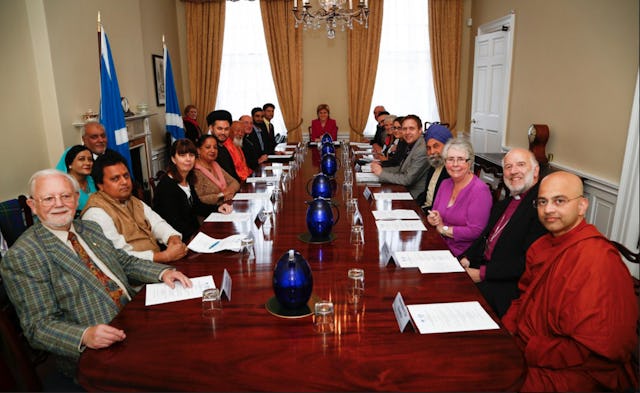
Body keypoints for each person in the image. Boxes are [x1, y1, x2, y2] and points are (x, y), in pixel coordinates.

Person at [0, 169, 192, 383]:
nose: (59, 204)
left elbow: (125, 262)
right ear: (33, 206)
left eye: (65, 196)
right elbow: (38, 327)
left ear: (76, 199)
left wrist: (163, 272)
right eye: (48, 199)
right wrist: (85, 336)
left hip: (134, 318)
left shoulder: (89, 228)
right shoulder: (23, 255)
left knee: (190, 338)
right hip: (96, 353)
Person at [502, 171, 638, 392]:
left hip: (575, 370)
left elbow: (602, 347)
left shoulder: (598, 259)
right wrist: (506, 331)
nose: (548, 210)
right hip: (526, 345)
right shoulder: (540, 247)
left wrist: (531, 349)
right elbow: (524, 296)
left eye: (560, 201)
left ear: (582, 206)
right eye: (543, 202)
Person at [458, 148, 546, 317]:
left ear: (536, 171)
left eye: (521, 165)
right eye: (508, 166)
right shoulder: (504, 203)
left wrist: (482, 274)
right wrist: (466, 257)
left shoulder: (540, 208)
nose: (513, 171)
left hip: (506, 286)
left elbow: (528, 262)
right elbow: (484, 238)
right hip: (482, 269)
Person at [82, 151, 188, 263]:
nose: (124, 182)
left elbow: (157, 223)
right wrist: (163, 256)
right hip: (133, 274)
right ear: (100, 185)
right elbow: (119, 256)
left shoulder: (132, 200)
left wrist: (173, 239)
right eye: (115, 179)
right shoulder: (96, 213)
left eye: (126, 176)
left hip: (158, 264)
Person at [153, 139, 232, 241]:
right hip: (177, 240)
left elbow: (196, 206)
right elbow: (174, 223)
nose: (188, 159)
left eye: (191, 155)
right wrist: (200, 236)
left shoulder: (188, 179)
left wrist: (218, 208)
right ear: (173, 159)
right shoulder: (166, 186)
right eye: (182, 155)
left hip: (193, 234)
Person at [426, 138, 492, 257]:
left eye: (461, 159)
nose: (455, 164)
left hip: (463, 254)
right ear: (445, 162)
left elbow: (475, 231)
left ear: (470, 162)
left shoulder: (480, 191)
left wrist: (443, 229)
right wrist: (433, 218)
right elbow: (436, 213)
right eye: (450, 159)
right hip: (439, 244)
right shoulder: (445, 184)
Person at [370, 114, 429, 199]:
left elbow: (407, 179)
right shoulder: (412, 143)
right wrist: (379, 169)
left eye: (411, 128)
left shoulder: (421, 149)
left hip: (413, 197)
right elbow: (401, 169)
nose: (407, 132)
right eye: (404, 129)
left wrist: (381, 173)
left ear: (420, 130)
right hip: (402, 190)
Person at [195, 134, 241, 204]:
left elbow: (235, 183)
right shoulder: (195, 170)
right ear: (198, 150)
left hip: (225, 206)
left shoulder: (215, 164)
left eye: (215, 147)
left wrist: (230, 190)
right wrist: (222, 195)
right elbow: (199, 199)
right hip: (209, 212)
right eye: (208, 147)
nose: (213, 150)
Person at [417, 124, 453, 212]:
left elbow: (443, 206)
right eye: (428, 148)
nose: (432, 152)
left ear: (447, 146)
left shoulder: (453, 170)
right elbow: (427, 194)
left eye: (436, 146)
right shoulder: (435, 164)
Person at [206, 109, 240, 182]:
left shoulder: (223, 147)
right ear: (211, 128)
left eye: (226, 129)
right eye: (219, 129)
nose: (223, 132)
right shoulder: (207, 150)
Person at [64, 145, 97, 212]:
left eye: (90, 159)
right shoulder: (63, 186)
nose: (87, 163)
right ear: (70, 164)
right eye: (81, 159)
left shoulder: (95, 181)